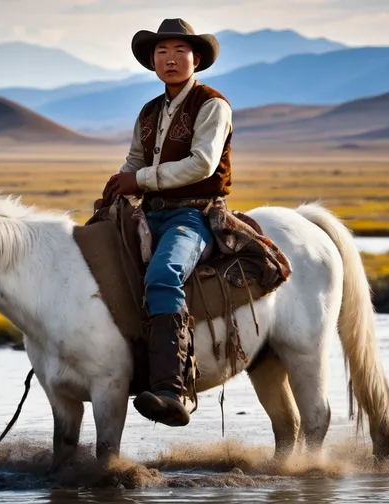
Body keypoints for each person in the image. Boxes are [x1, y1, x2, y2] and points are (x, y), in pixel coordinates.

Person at [102, 18, 233, 427]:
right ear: (153, 61)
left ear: (196, 59)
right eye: (162, 52)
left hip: (193, 213)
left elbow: (201, 164)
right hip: (150, 212)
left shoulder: (212, 104)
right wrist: (119, 187)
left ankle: (174, 389)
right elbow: (135, 161)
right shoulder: (150, 110)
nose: (170, 59)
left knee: (163, 275)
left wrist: (138, 180)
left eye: (180, 51)